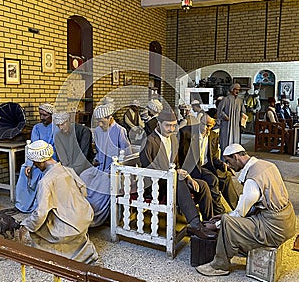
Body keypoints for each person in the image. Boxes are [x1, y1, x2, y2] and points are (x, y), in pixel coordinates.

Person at [196, 143, 296, 276]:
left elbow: (239, 214)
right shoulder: (266, 165)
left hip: (274, 227)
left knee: (227, 221)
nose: (228, 165)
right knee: (229, 218)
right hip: (288, 221)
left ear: (236, 156)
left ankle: (220, 265)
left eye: (228, 161)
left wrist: (216, 225)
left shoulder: (252, 180)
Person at [140, 109, 216, 240]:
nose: (171, 129)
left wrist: (189, 177)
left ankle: (209, 223)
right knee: (178, 181)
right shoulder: (149, 141)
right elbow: (149, 170)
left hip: (172, 179)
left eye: (174, 125)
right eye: (168, 125)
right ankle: (196, 225)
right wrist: (176, 174)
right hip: (155, 184)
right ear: (159, 123)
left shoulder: (174, 139)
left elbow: (177, 165)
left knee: (202, 185)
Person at [19, 140, 98, 263]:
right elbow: (84, 191)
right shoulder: (68, 170)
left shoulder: (45, 182)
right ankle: (85, 251)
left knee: (36, 227)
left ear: (40, 161)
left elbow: (40, 213)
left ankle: (56, 256)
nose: (34, 165)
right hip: (85, 218)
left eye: (35, 162)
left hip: (70, 227)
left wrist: (26, 225)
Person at [80, 98, 131, 227]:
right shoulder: (97, 131)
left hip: (114, 171)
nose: (100, 125)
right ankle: (83, 213)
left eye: (103, 122)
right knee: (83, 177)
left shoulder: (120, 131)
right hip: (100, 167)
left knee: (101, 185)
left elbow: (128, 155)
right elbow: (97, 151)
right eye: (98, 122)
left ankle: (94, 218)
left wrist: (116, 167)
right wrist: (95, 160)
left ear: (110, 118)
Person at [179, 115, 238, 213]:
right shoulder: (186, 132)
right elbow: (179, 154)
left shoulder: (213, 136)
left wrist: (222, 164)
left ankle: (238, 209)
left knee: (226, 177)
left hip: (206, 166)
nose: (205, 128)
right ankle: (218, 211)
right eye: (203, 124)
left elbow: (213, 157)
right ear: (199, 122)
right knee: (212, 180)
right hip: (192, 168)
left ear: (213, 125)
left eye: (209, 126)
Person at [15, 103, 57, 213]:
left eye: (45, 115)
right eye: (40, 115)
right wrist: (30, 164)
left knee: (41, 173)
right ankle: (23, 203)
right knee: (24, 169)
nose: (42, 118)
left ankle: (39, 204)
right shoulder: (37, 128)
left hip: (51, 160)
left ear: (52, 115)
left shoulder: (57, 128)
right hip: (36, 160)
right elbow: (33, 147)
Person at [217, 83, 246, 155]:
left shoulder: (240, 100)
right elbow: (220, 110)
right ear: (232, 90)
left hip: (236, 125)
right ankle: (225, 159)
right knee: (225, 141)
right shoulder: (225, 99)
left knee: (235, 141)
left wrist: (243, 120)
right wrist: (224, 116)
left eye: (238, 90)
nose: (237, 91)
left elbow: (243, 112)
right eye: (236, 89)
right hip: (227, 124)